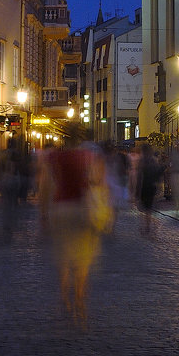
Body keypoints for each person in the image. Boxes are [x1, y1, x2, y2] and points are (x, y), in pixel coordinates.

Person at [38, 137, 108, 326]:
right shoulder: (89, 156)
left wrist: (44, 214)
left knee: (63, 256)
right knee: (83, 259)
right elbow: (99, 184)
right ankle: (79, 299)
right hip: (82, 210)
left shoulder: (53, 158)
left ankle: (64, 298)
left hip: (61, 209)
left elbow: (44, 188)